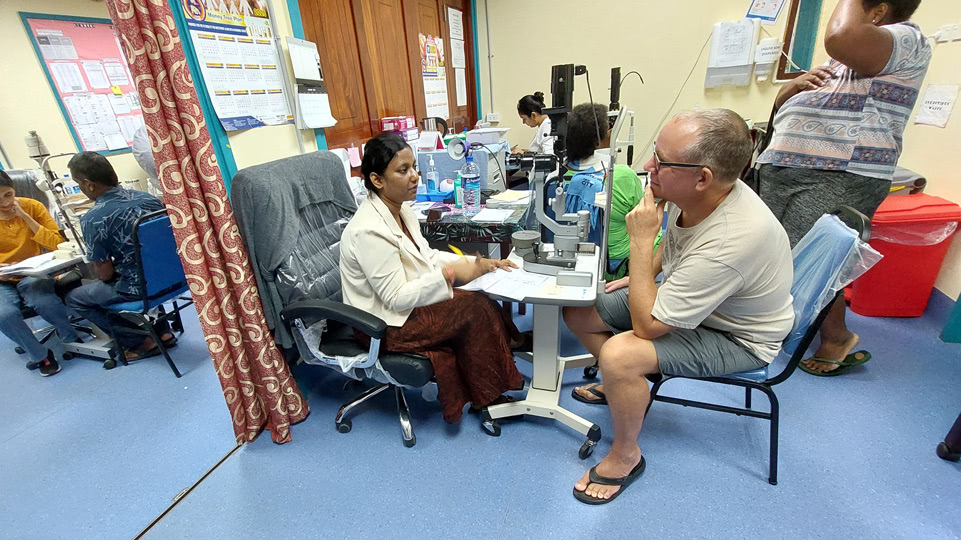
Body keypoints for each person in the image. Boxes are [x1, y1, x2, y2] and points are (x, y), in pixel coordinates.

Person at [562, 109, 795, 504]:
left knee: (620, 355)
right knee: (580, 309)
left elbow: (648, 326)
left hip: (737, 336)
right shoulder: (699, 193)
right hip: (703, 306)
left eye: (662, 161)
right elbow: (672, 245)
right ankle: (624, 388)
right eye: (655, 152)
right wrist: (639, 272)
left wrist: (638, 245)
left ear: (702, 177)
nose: (649, 167)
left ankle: (625, 455)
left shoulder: (731, 241)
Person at [756, 0, 930, 376]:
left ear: (879, 10)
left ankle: (835, 336)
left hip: (838, 171)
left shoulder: (906, 39)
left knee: (818, 258)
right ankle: (789, 328)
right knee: (786, 255)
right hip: (798, 170)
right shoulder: (859, 57)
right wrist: (787, 94)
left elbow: (840, 36)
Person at [339, 133, 525, 423]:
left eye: (414, 167)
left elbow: (428, 257)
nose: (414, 176)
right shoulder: (369, 230)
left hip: (402, 309)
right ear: (377, 180)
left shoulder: (402, 211)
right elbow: (395, 298)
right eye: (403, 170)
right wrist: (450, 275)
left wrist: (477, 263)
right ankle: (488, 397)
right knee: (473, 311)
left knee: (479, 300)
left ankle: (498, 367)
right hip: (382, 323)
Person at [64, 152, 175, 361]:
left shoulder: (93, 218)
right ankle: (164, 332)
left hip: (140, 288)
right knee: (145, 265)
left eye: (78, 183)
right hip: (171, 277)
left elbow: (105, 274)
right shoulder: (149, 199)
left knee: (75, 298)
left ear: (88, 184)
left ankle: (141, 341)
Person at [562, 103, 661, 278]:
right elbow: (646, 217)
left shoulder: (555, 177)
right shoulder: (622, 176)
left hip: (570, 258)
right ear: (597, 141)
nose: (611, 132)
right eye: (608, 129)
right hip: (615, 266)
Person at [0, 170, 78, 376]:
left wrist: (25, 217)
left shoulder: (31, 206)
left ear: (14, 190)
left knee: (44, 301)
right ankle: (41, 356)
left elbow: (58, 243)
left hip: (32, 272)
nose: (5, 203)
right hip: (2, 279)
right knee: (3, 314)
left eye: (8, 195)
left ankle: (70, 337)